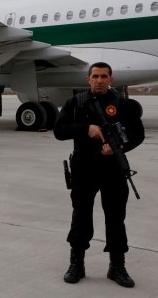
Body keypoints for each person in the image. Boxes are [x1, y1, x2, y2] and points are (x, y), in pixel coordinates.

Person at [53, 62, 144, 288]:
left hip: (113, 169)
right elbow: (59, 130)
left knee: (116, 219)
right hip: (84, 170)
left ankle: (117, 266)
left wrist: (119, 148)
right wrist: (86, 129)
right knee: (81, 217)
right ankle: (77, 264)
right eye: (95, 76)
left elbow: (138, 133)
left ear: (111, 80)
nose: (100, 80)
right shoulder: (75, 103)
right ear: (88, 79)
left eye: (104, 76)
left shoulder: (123, 105)